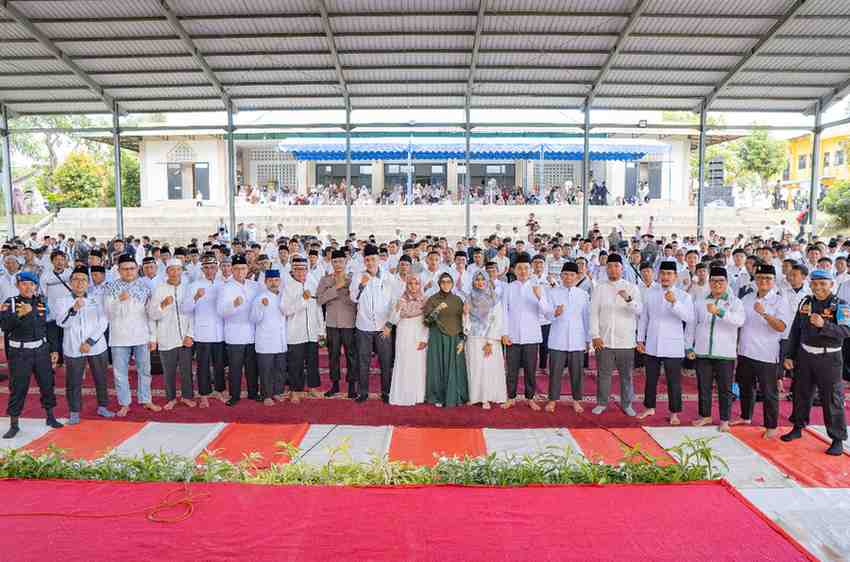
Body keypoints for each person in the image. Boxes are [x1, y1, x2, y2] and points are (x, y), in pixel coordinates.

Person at [782, 269, 849, 455]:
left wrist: (824, 325)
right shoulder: (806, 302)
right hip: (805, 355)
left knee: (832, 398)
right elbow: (795, 330)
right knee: (801, 393)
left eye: (823, 283)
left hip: (829, 358)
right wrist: (789, 355)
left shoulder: (840, 305)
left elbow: (846, 331)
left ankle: (837, 439)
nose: (818, 287)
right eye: (815, 284)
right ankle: (797, 427)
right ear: (810, 284)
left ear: (831, 285)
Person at [731, 264, 792, 438]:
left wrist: (765, 313)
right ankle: (746, 416)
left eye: (768, 278)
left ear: (773, 281)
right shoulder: (747, 298)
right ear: (755, 279)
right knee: (745, 387)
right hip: (745, 351)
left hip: (766, 353)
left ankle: (771, 425)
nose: (763, 281)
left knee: (768, 392)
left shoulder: (780, 300)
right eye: (760, 278)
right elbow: (739, 323)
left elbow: (781, 327)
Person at [1, 272, 63, 439]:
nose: (28, 287)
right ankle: (14, 424)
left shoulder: (41, 302)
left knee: (47, 384)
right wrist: (20, 314)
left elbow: (49, 327)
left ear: (36, 286)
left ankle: (50, 417)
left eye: (32, 284)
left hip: (41, 350)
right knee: (18, 387)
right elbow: (5, 326)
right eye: (24, 284)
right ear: (18, 285)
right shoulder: (11, 303)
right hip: (20, 353)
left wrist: (54, 349)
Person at [686, 266, 745, 432]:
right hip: (702, 350)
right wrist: (689, 346)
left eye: (721, 281)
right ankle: (705, 415)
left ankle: (725, 419)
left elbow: (739, 321)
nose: (717, 284)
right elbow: (692, 324)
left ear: (727, 283)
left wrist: (720, 312)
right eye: (713, 281)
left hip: (724, 353)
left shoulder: (735, 302)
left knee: (724, 388)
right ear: (709, 282)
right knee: (703, 386)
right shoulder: (700, 301)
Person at [637, 261, 694, 425]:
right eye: (662, 273)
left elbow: (689, 318)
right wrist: (640, 339)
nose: (665, 277)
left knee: (673, 381)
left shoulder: (684, 296)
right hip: (653, 343)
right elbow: (644, 318)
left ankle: (674, 412)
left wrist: (674, 303)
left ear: (675, 277)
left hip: (673, 345)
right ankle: (649, 407)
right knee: (651, 378)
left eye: (669, 274)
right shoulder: (650, 294)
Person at [56, 266, 112, 424]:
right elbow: (62, 323)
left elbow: (103, 322)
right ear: (70, 282)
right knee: (73, 381)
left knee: (101, 378)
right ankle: (74, 411)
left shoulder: (97, 299)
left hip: (96, 346)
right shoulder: (62, 301)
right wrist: (73, 309)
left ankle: (103, 406)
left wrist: (90, 342)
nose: (80, 283)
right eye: (76, 280)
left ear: (88, 283)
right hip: (73, 347)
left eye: (84, 280)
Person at [106, 254, 160, 417]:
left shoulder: (145, 287)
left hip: (141, 335)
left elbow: (150, 314)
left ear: (137, 269)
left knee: (145, 370)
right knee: (120, 372)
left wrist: (152, 337)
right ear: (119, 270)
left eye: (132, 268)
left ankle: (146, 399)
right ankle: (124, 403)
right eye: (125, 269)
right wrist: (118, 301)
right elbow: (107, 313)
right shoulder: (111, 287)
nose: (129, 272)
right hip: (119, 337)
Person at [589, 253, 642, 416]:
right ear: (606, 269)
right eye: (610, 266)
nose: (613, 269)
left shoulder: (631, 287)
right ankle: (602, 402)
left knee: (626, 375)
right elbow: (593, 313)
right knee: (603, 374)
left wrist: (628, 299)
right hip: (604, 340)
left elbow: (639, 310)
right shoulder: (600, 288)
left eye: (616, 266)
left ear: (622, 268)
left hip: (625, 341)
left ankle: (627, 404)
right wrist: (595, 335)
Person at [501, 253, 552, 410]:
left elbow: (547, 313)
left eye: (526, 268)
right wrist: (504, 333)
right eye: (520, 268)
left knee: (530, 370)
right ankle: (511, 397)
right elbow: (503, 312)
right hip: (513, 336)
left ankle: (530, 398)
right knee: (512, 370)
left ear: (530, 270)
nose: (523, 271)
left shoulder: (538, 288)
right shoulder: (509, 288)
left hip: (531, 336)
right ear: (514, 270)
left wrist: (539, 297)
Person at [148, 259, 195, 411]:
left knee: (186, 370)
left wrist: (190, 334)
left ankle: (187, 397)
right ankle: (171, 398)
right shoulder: (159, 289)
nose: (175, 273)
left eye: (178, 269)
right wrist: (162, 305)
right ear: (167, 272)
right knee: (168, 372)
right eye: (172, 270)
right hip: (166, 337)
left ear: (182, 271)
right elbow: (151, 315)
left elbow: (193, 313)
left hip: (184, 338)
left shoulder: (188, 288)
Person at [350, 245, 394, 403]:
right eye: (367, 260)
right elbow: (353, 298)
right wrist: (361, 285)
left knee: (385, 360)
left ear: (378, 259)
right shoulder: (357, 276)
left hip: (383, 326)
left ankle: (386, 392)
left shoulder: (388, 277)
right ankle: (363, 392)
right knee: (363, 361)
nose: (370, 262)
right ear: (364, 261)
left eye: (373, 259)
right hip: (364, 326)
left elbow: (393, 302)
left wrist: (390, 324)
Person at [182, 253, 227, 407]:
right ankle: (203, 394)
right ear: (202, 269)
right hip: (202, 332)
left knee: (220, 364)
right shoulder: (194, 285)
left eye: (212, 267)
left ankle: (219, 390)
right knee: (203, 365)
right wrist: (195, 297)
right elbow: (185, 309)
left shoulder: (223, 284)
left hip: (220, 332)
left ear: (217, 268)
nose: (209, 271)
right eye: (206, 268)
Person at [546, 262, 590, 413]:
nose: (568, 277)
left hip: (577, 339)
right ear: (561, 276)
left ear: (577, 277)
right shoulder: (552, 293)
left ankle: (577, 400)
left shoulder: (583, 295)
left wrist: (587, 339)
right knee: (555, 371)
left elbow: (586, 318)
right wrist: (554, 313)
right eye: (565, 274)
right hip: (558, 338)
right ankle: (552, 400)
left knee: (577, 372)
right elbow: (545, 315)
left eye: (572, 275)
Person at [217, 254, 259, 406]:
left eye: (243, 268)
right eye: (236, 269)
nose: (240, 271)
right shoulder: (226, 288)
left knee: (252, 367)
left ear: (247, 269)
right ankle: (234, 395)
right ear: (232, 270)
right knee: (235, 367)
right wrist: (233, 304)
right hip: (235, 333)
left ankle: (253, 393)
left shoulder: (254, 286)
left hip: (253, 333)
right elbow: (221, 311)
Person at [316, 249, 358, 398]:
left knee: (351, 355)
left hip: (349, 323)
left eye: (341, 261)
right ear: (331, 263)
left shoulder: (353, 280)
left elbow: (358, 300)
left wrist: (344, 285)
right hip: (332, 323)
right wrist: (337, 287)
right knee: (333, 356)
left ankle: (352, 385)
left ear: (346, 262)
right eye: (335, 261)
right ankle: (335, 385)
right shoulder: (325, 280)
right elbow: (319, 299)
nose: (338, 264)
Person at [423, 272, 469, 408]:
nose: (446, 284)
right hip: (438, 336)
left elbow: (464, 321)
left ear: (452, 283)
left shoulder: (458, 300)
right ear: (439, 284)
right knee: (438, 367)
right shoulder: (433, 299)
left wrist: (463, 339)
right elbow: (427, 320)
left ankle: (456, 396)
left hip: (455, 337)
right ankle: (438, 396)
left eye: (449, 282)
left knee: (455, 367)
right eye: (443, 282)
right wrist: (437, 309)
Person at [282, 257, 324, 403]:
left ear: (307, 270)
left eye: (303, 269)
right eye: (298, 269)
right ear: (292, 270)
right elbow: (285, 310)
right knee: (295, 363)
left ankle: (312, 388)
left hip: (311, 331)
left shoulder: (313, 283)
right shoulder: (287, 286)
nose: (301, 272)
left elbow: (318, 308)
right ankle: (295, 390)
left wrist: (321, 330)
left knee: (313, 361)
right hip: (295, 332)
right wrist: (302, 301)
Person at [464, 271, 507, 409]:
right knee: (474, 367)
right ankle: (474, 396)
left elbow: (498, 321)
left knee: (487, 369)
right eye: (477, 280)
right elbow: (465, 320)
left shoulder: (495, 299)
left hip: (489, 339)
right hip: (473, 337)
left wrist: (489, 341)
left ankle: (486, 397)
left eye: (483, 280)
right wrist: (465, 314)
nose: (480, 282)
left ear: (488, 281)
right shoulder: (469, 298)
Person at [388, 275, 429, 406]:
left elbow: (427, 322)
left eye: (416, 283)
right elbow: (393, 320)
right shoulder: (400, 299)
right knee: (404, 362)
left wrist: (424, 338)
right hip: (404, 334)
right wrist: (398, 308)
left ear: (420, 285)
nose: (413, 286)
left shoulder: (425, 300)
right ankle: (403, 395)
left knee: (418, 364)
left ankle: (418, 396)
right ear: (406, 285)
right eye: (410, 284)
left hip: (418, 334)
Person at [251, 269, 287, 405]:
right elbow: (253, 318)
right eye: (270, 281)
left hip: (281, 340)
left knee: (280, 369)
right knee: (266, 370)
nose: (273, 283)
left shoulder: (283, 296)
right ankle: (266, 395)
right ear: (266, 282)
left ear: (279, 282)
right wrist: (260, 306)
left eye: (276, 280)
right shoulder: (260, 298)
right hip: (265, 341)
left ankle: (277, 392)